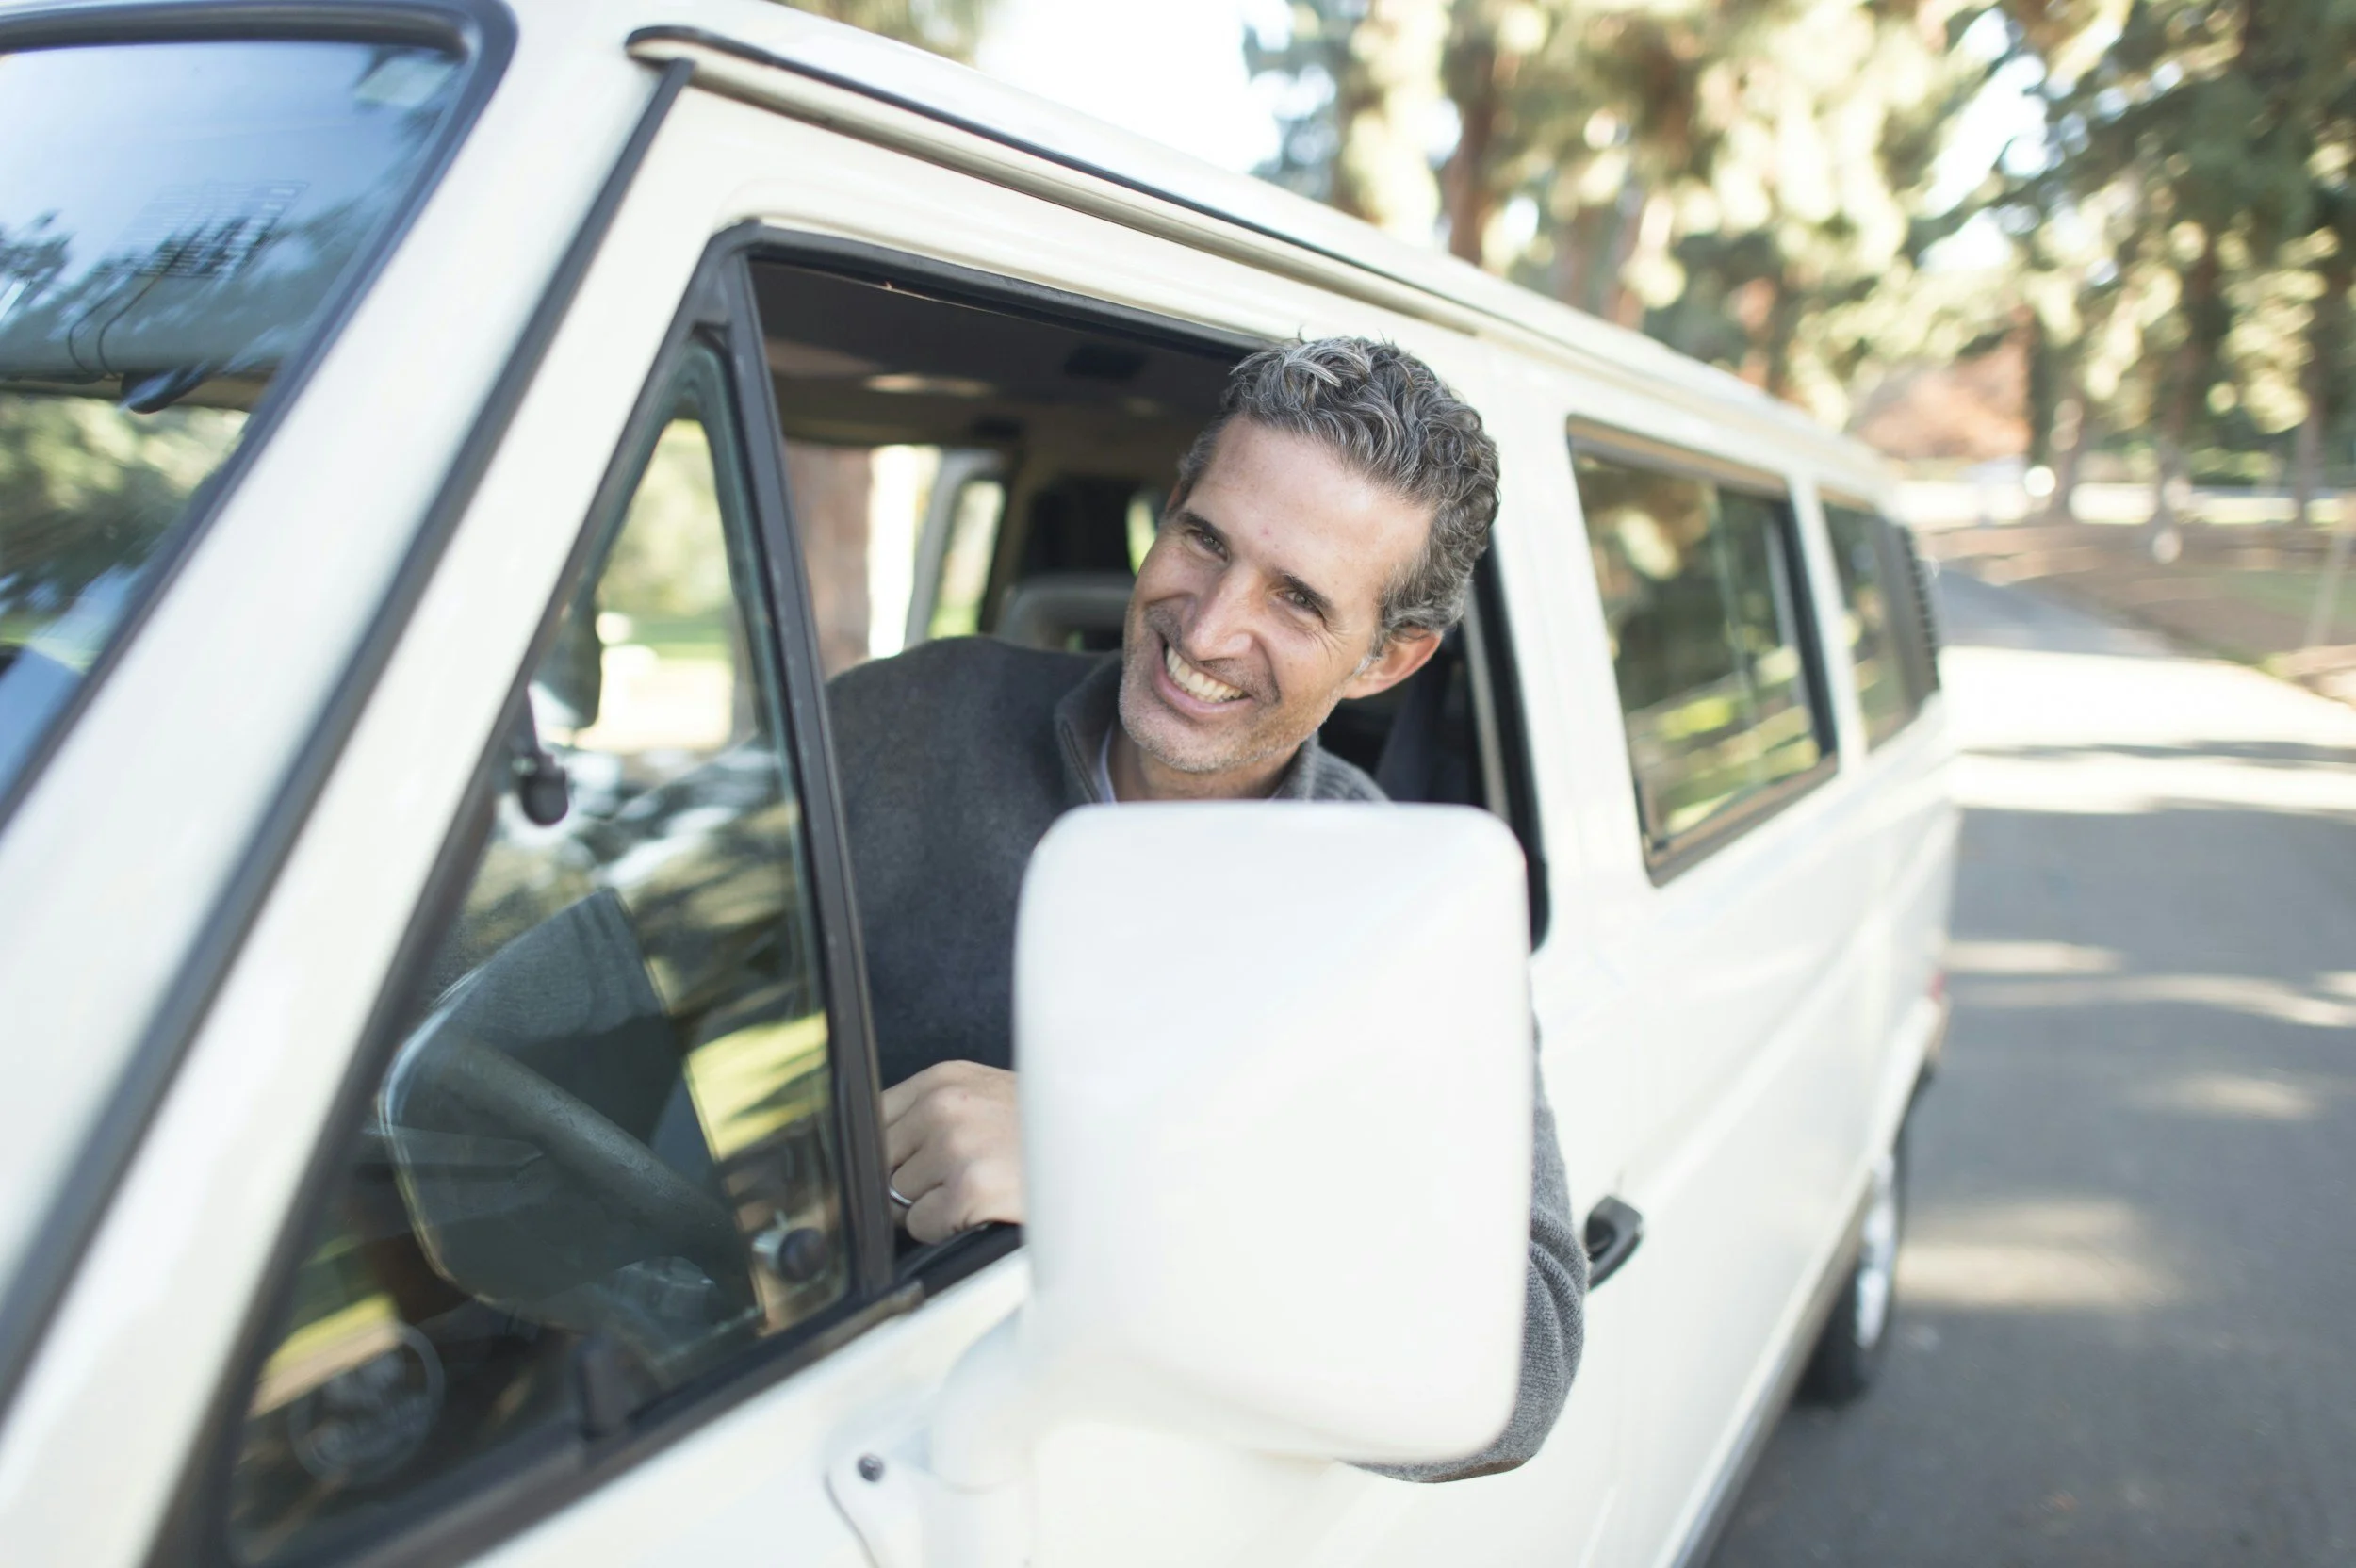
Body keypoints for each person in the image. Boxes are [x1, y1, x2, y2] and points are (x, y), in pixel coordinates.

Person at [826, 337, 1583, 1480]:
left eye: (1296, 598)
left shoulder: (1404, 916)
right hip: (784, 1437)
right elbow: (595, 1001)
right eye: (1205, 539)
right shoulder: (906, 720)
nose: (1210, 627)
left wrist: (1109, 1176)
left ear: (1389, 658)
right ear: (1170, 505)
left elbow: (1520, 1363)